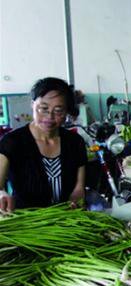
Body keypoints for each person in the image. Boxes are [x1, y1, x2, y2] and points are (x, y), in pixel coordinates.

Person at [0, 77, 87, 211]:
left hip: (67, 221)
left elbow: (79, 187)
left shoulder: (75, 142)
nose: (50, 117)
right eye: (43, 108)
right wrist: (1, 194)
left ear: (66, 112)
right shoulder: (12, 142)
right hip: (28, 224)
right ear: (32, 104)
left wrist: (77, 198)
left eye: (58, 110)